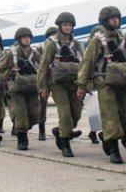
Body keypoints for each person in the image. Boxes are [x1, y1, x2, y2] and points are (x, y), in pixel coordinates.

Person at [77, 6, 126, 164]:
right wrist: (82, 85)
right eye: (112, 18)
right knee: (110, 116)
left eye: (117, 17)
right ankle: (114, 150)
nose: (115, 20)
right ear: (105, 21)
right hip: (105, 83)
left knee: (125, 116)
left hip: (123, 83)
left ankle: (106, 136)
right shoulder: (97, 40)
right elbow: (87, 63)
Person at [38, 13, 84, 157]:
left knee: (75, 114)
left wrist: (86, 82)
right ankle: (65, 144)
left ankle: (59, 131)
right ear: (60, 26)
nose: (68, 27)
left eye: (70, 25)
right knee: (65, 114)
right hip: (57, 83)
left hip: (73, 82)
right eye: (65, 25)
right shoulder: (52, 43)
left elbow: (84, 64)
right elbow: (43, 65)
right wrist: (42, 87)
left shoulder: (75, 44)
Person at [0, 27, 41, 150]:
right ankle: (22, 139)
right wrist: (10, 72)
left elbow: (43, 67)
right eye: (24, 37)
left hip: (32, 86)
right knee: (21, 114)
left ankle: (23, 129)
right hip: (16, 88)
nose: (27, 40)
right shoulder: (12, 53)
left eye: (28, 37)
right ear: (19, 39)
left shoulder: (35, 53)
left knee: (34, 114)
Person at [35, 25, 59, 141]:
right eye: (52, 35)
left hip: (56, 78)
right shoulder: (40, 48)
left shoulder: (60, 46)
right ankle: (41, 130)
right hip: (45, 79)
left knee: (62, 104)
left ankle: (64, 129)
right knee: (42, 106)